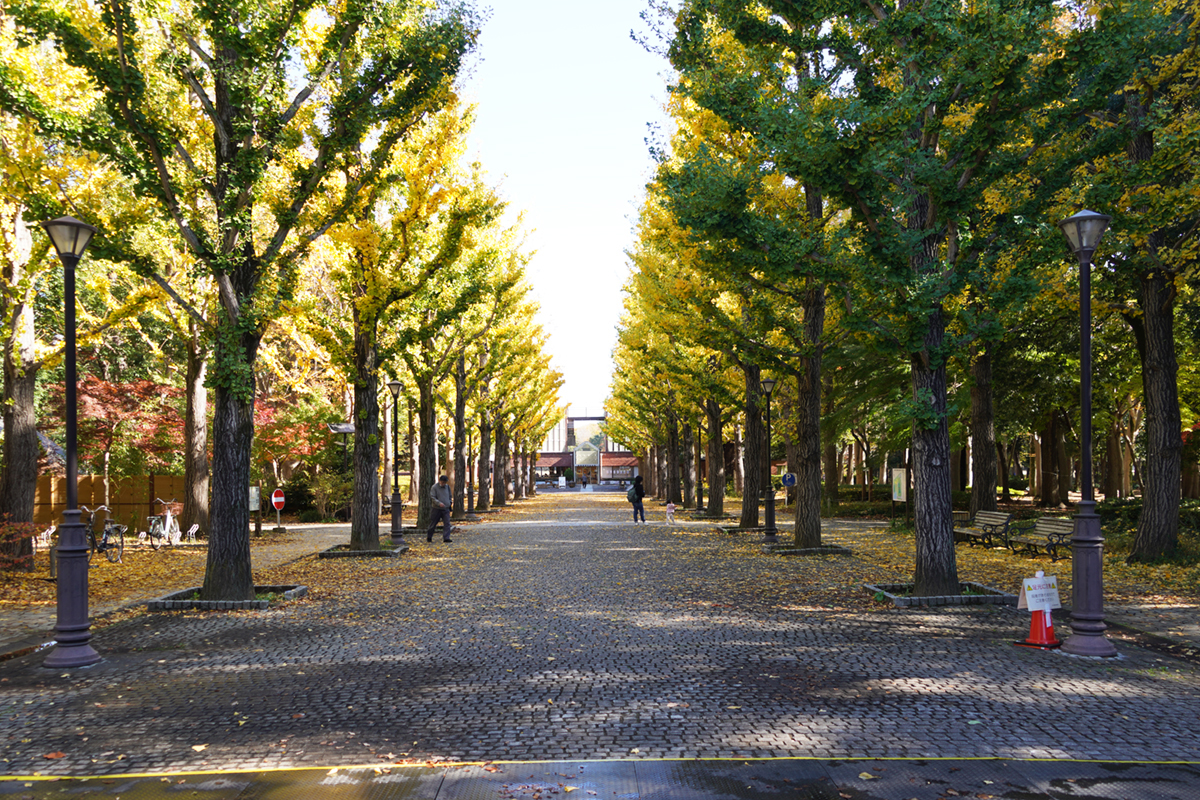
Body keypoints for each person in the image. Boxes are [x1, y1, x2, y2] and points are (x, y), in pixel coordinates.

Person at [427, 475, 453, 543]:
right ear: (440, 481)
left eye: (445, 482)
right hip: (436, 509)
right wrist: (439, 503)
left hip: (446, 508)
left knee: (447, 523)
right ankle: (429, 536)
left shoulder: (447, 487)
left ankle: (446, 537)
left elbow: (450, 495)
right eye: (443, 482)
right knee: (433, 523)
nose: (444, 483)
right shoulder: (434, 487)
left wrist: (450, 502)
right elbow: (433, 497)